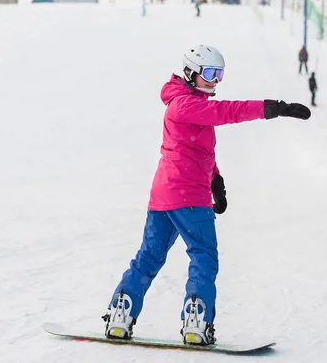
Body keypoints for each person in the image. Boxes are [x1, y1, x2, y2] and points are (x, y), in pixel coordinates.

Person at [102, 45, 311, 346]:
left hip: (164, 195)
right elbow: (228, 111)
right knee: (203, 256)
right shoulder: (184, 105)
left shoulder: (183, 104)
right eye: (210, 74)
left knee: (148, 257)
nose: (215, 81)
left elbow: (198, 150)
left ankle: (121, 314)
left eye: (220, 74)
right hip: (188, 197)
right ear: (190, 72)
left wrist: (217, 182)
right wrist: (272, 108)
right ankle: (196, 323)